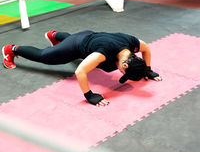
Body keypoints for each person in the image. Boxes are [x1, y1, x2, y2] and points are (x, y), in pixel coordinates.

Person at [2, 30, 162, 106]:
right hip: (76, 46)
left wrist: (147, 69)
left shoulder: (132, 44)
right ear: (125, 64)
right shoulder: (103, 54)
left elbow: (146, 48)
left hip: (89, 36)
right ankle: (12, 49)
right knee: (45, 57)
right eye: (123, 72)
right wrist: (89, 95)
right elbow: (80, 71)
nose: (121, 74)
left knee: (101, 63)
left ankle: (55, 35)